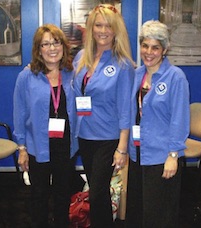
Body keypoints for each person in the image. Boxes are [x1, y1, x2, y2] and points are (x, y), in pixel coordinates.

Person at [72, 4, 135, 228]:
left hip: (108, 138)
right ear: (91, 27)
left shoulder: (122, 64)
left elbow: (126, 108)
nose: (103, 30)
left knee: (97, 193)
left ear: (116, 30)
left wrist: (122, 147)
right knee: (99, 196)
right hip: (84, 134)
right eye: (98, 25)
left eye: (109, 26)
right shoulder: (80, 57)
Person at [125, 20, 190, 228]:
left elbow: (180, 119)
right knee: (139, 211)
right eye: (145, 45)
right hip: (138, 153)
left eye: (155, 47)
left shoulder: (175, 77)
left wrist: (173, 155)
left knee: (159, 215)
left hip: (161, 156)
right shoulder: (137, 74)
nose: (149, 52)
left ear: (165, 49)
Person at [13, 24, 78, 228]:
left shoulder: (72, 74)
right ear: (38, 49)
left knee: (62, 194)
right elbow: (19, 113)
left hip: (66, 146)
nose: (52, 48)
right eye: (46, 44)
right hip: (37, 145)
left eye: (56, 42)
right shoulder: (27, 76)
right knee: (39, 195)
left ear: (63, 46)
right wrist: (21, 148)